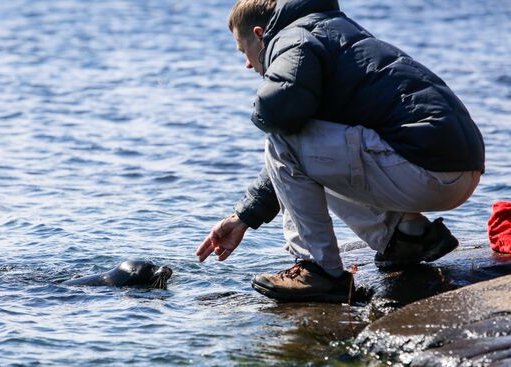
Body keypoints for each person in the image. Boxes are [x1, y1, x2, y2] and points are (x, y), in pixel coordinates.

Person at [195, 0, 484, 303]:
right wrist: (243, 217)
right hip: (458, 169)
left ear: (260, 33)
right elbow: (306, 157)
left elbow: (278, 116)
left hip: (425, 170)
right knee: (307, 148)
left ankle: (320, 269)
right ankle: (408, 234)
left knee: (279, 139)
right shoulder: (333, 31)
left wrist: (258, 110)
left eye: (244, 51)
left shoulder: (295, 38)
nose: (248, 65)